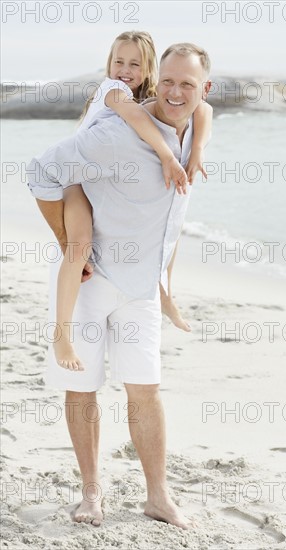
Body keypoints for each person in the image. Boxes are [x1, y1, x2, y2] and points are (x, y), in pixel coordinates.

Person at [27, 42, 212, 529]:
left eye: (186, 84)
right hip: (90, 282)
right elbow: (42, 170)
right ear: (158, 80)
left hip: (140, 289)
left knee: (146, 391)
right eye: (168, 81)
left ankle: (158, 496)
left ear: (203, 89)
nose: (175, 92)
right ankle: (91, 493)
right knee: (82, 390)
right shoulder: (113, 134)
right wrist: (70, 242)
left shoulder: (194, 128)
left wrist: (200, 148)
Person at [53, 31, 212, 371]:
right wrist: (169, 156)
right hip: (78, 179)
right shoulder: (115, 91)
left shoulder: (159, 96)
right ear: (108, 65)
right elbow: (139, 120)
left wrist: (196, 150)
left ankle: (165, 294)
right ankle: (62, 334)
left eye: (134, 64)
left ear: (149, 69)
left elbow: (206, 109)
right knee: (79, 244)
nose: (125, 69)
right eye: (118, 61)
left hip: (103, 178)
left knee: (172, 220)